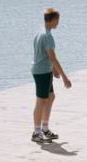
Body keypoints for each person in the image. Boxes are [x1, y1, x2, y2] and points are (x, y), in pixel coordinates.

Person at [31, 7, 72, 144]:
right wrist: (65, 77)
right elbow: (52, 57)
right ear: (53, 20)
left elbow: (45, 55)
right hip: (41, 72)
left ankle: (45, 128)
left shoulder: (40, 32)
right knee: (41, 100)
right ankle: (36, 132)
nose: (58, 23)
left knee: (50, 97)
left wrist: (53, 69)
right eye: (57, 20)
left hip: (44, 70)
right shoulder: (48, 36)